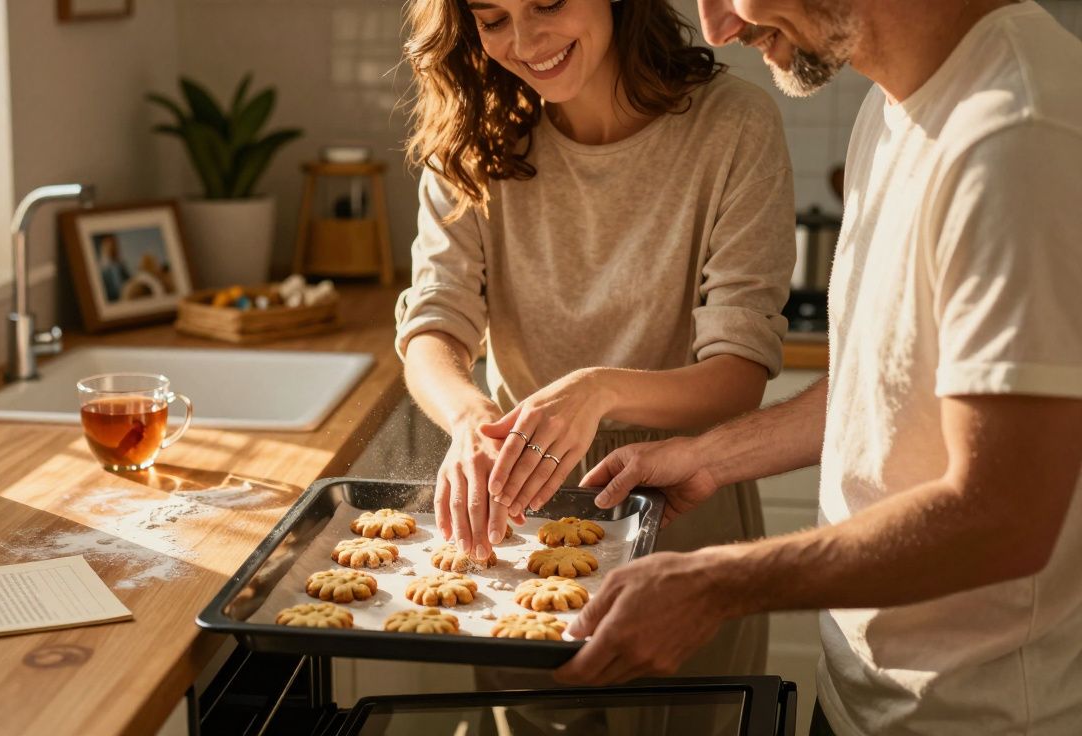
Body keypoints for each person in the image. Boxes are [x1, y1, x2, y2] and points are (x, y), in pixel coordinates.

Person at [553, 1, 1082, 734]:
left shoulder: (1015, 134)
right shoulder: (891, 108)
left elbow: (1005, 513)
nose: (717, 29)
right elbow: (883, 389)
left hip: (980, 716)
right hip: (862, 695)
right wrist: (706, 456)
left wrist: (718, 583)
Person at [396, 0, 795, 679]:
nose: (525, 41)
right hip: (518, 504)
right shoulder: (472, 137)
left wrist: (599, 390)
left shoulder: (734, 125)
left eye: (547, 2)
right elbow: (434, 324)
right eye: (492, 20)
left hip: (682, 496)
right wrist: (468, 419)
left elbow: (739, 372)